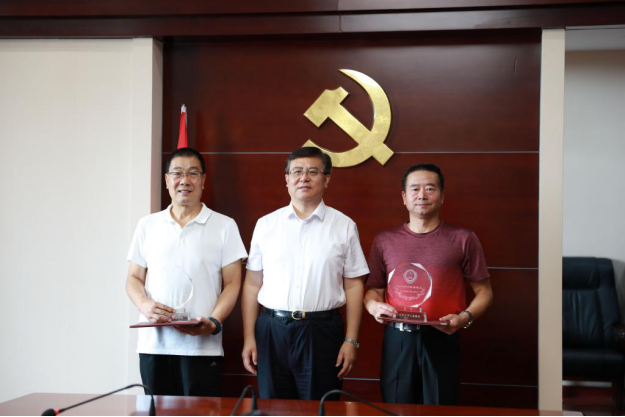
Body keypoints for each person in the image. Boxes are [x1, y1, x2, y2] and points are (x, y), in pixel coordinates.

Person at [241, 147, 369, 400]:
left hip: (321, 331)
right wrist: (249, 337)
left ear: (326, 179)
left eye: (313, 172)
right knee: (273, 407)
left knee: (319, 406)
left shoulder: (344, 226)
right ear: (287, 178)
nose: (304, 178)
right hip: (271, 331)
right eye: (297, 171)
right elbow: (252, 284)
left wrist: (351, 340)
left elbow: (354, 285)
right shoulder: (266, 224)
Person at [364, 163, 493, 405]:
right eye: (414, 189)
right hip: (398, 339)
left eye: (430, 188)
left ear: (442, 196)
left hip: (442, 336)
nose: (422, 195)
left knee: (441, 407)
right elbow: (373, 291)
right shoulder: (384, 240)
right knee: (396, 407)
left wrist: (464, 318)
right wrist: (374, 307)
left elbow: (485, 292)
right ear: (404, 197)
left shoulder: (463, 238)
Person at [126, 147, 248, 397]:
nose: (185, 180)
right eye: (178, 173)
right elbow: (133, 278)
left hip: (202, 347)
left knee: (201, 412)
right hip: (154, 345)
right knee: (156, 411)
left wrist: (214, 321)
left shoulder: (224, 225)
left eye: (193, 173)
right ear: (167, 180)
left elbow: (233, 283)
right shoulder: (147, 225)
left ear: (203, 180)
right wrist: (144, 305)